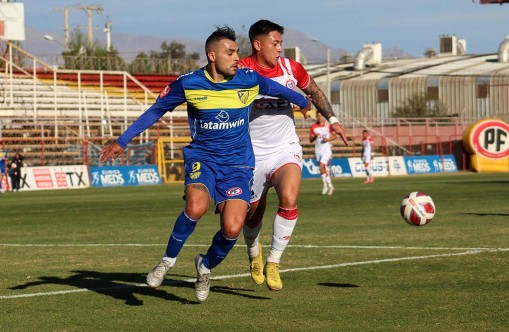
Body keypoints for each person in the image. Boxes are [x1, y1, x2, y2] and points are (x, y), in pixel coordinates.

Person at [99, 26, 310, 303]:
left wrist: (304, 101)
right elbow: (156, 110)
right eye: (230, 52)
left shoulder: (248, 79)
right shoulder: (189, 83)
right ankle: (167, 261)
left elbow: (280, 89)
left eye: (237, 52)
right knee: (196, 206)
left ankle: (205, 265)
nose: (237, 57)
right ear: (212, 55)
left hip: (238, 166)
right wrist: (123, 140)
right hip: (203, 159)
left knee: (233, 228)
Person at [238, 19, 348, 291]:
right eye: (275, 43)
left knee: (289, 197)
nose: (280, 48)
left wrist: (333, 119)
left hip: (285, 148)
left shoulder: (291, 68)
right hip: (250, 153)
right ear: (257, 44)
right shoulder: (240, 69)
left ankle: (274, 262)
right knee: (253, 213)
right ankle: (254, 252)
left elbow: (315, 92)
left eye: (281, 43)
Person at [310, 112, 337, 195]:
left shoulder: (328, 126)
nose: (319, 117)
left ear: (323, 117)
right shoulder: (313, 127)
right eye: (318, 116)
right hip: (318, 150)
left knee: (322, 166)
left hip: (326, 150)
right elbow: (310, 140)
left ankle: (326, 186)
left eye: (321, 116)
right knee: (323, 169)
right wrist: (314, 136)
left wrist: (328, 140)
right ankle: (330, 186)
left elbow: (335, 136)